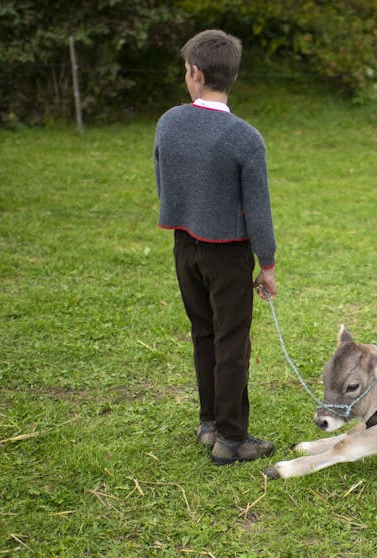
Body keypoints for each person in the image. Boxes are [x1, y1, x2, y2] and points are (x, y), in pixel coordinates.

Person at [154, 29, 277, 465]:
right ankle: (230, 437)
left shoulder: (169, 123)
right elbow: (258, 208)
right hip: (227, 254)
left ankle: (210, 423)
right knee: (231, 340)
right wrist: (267, 263)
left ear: (195, 73)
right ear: (233, 76)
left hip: (183, 246)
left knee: (203, 332)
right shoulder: (245, 137)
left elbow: (163, 181)